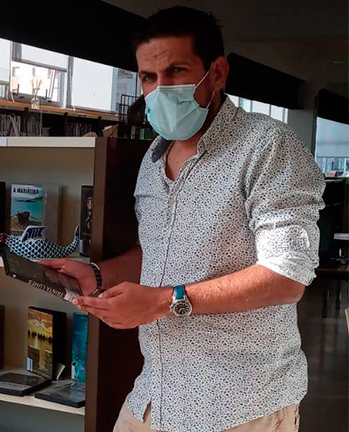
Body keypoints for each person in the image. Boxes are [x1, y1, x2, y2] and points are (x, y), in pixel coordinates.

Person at [42, 7, 323, 432]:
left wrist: (163, 301)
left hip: (241, 404)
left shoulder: (268, 147)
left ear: (217, 73)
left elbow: (287, 276)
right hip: (154, 394)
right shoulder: (153, 161)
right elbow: (159, 253)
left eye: (176, 71)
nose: (160, 89)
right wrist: (97, 275)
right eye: (148, 77)